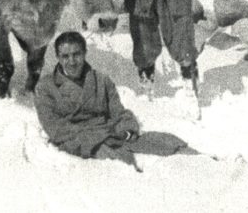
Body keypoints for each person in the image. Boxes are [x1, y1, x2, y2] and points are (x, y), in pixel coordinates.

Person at [34, 32, 204, 171]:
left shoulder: (101, 80)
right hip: (81, 142)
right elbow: (55, 128)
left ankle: (204, 162)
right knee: (123, 164)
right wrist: (96, 137)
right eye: (65, 56)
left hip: (110, 133)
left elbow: (118, 112)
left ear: (85, 53)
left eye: (76, 54)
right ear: (57, 57)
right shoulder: (46, 87)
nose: (71, 61)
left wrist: (126, 130)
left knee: (165, 142)